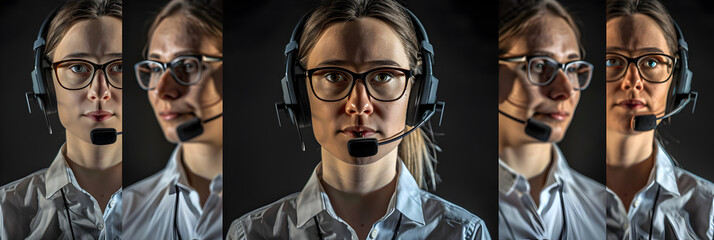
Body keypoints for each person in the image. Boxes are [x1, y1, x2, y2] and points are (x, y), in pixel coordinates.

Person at [227, 0, 489, 239]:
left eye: (384, 76)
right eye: (333, 76)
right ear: (299, 95)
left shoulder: (465, 233)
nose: (358, 105)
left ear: (419, 94)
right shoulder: (250, 234)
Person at [0, 0, 123, 239]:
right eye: (78, 67)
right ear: (45, 84)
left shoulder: (184, 205)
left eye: (119, 66)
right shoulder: (5, 211)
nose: (99, 91)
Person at [605, 0, 714, 238]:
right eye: (612, 61)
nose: (632, 81)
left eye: (651, 62)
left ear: (677, 82)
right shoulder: (544, 200)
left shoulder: (709, 210)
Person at [498, 0, 605, 238]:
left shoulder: (607, 212)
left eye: (573, 68)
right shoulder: (455, 220)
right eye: (540, 65)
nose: (566, 90)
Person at [122, 0, 223, 239]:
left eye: (187, 65)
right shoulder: (125, 214)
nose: (161, 90)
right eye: (156, 68)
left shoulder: (272, 220)